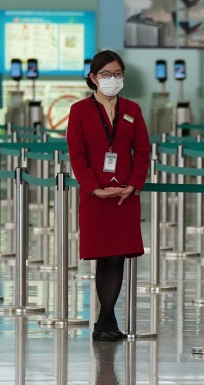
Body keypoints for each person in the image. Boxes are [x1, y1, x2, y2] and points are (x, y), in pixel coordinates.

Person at [66, 50, 151, 342]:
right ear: (93, 78)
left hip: (124, 195)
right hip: (97, 195)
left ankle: (106, 320)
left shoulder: (132, 109)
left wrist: (133, 184)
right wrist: (94, 187)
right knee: (103, 255)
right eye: (106, 75)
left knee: (118, 257)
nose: (112, 80)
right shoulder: (79, 111)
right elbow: (77, 154)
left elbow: (142, 151)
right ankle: (106, 320)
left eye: (117, 74)